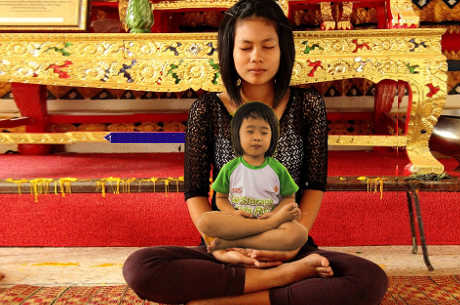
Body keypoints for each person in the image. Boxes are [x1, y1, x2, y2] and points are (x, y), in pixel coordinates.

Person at [123, 0, 389, 304]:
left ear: (283, 50)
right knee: (141, 268)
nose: (256, 57)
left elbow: (314, 184)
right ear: (229, 51)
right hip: (227, 248)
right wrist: (217, 245)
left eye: (267, 46)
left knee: (369, 280)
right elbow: (195, 191)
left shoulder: (307, 105)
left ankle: (231, 298)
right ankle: (283, 281)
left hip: (288, 245)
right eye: (245, 47)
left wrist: (291, 248)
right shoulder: (206, 109)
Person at [198, 101, 308, 252]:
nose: (257, 137)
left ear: (273, 137)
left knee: (299, 234)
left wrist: (276, 215)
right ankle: (259, 236)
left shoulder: (278, 169)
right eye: (250, 131)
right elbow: (221, 198)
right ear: (237, 134)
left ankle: (232, 243)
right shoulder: (230, 168)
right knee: (205, 221)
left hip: (272, 219)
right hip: (239, 224)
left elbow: (289, 197)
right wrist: (233, 213)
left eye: (264, 132)